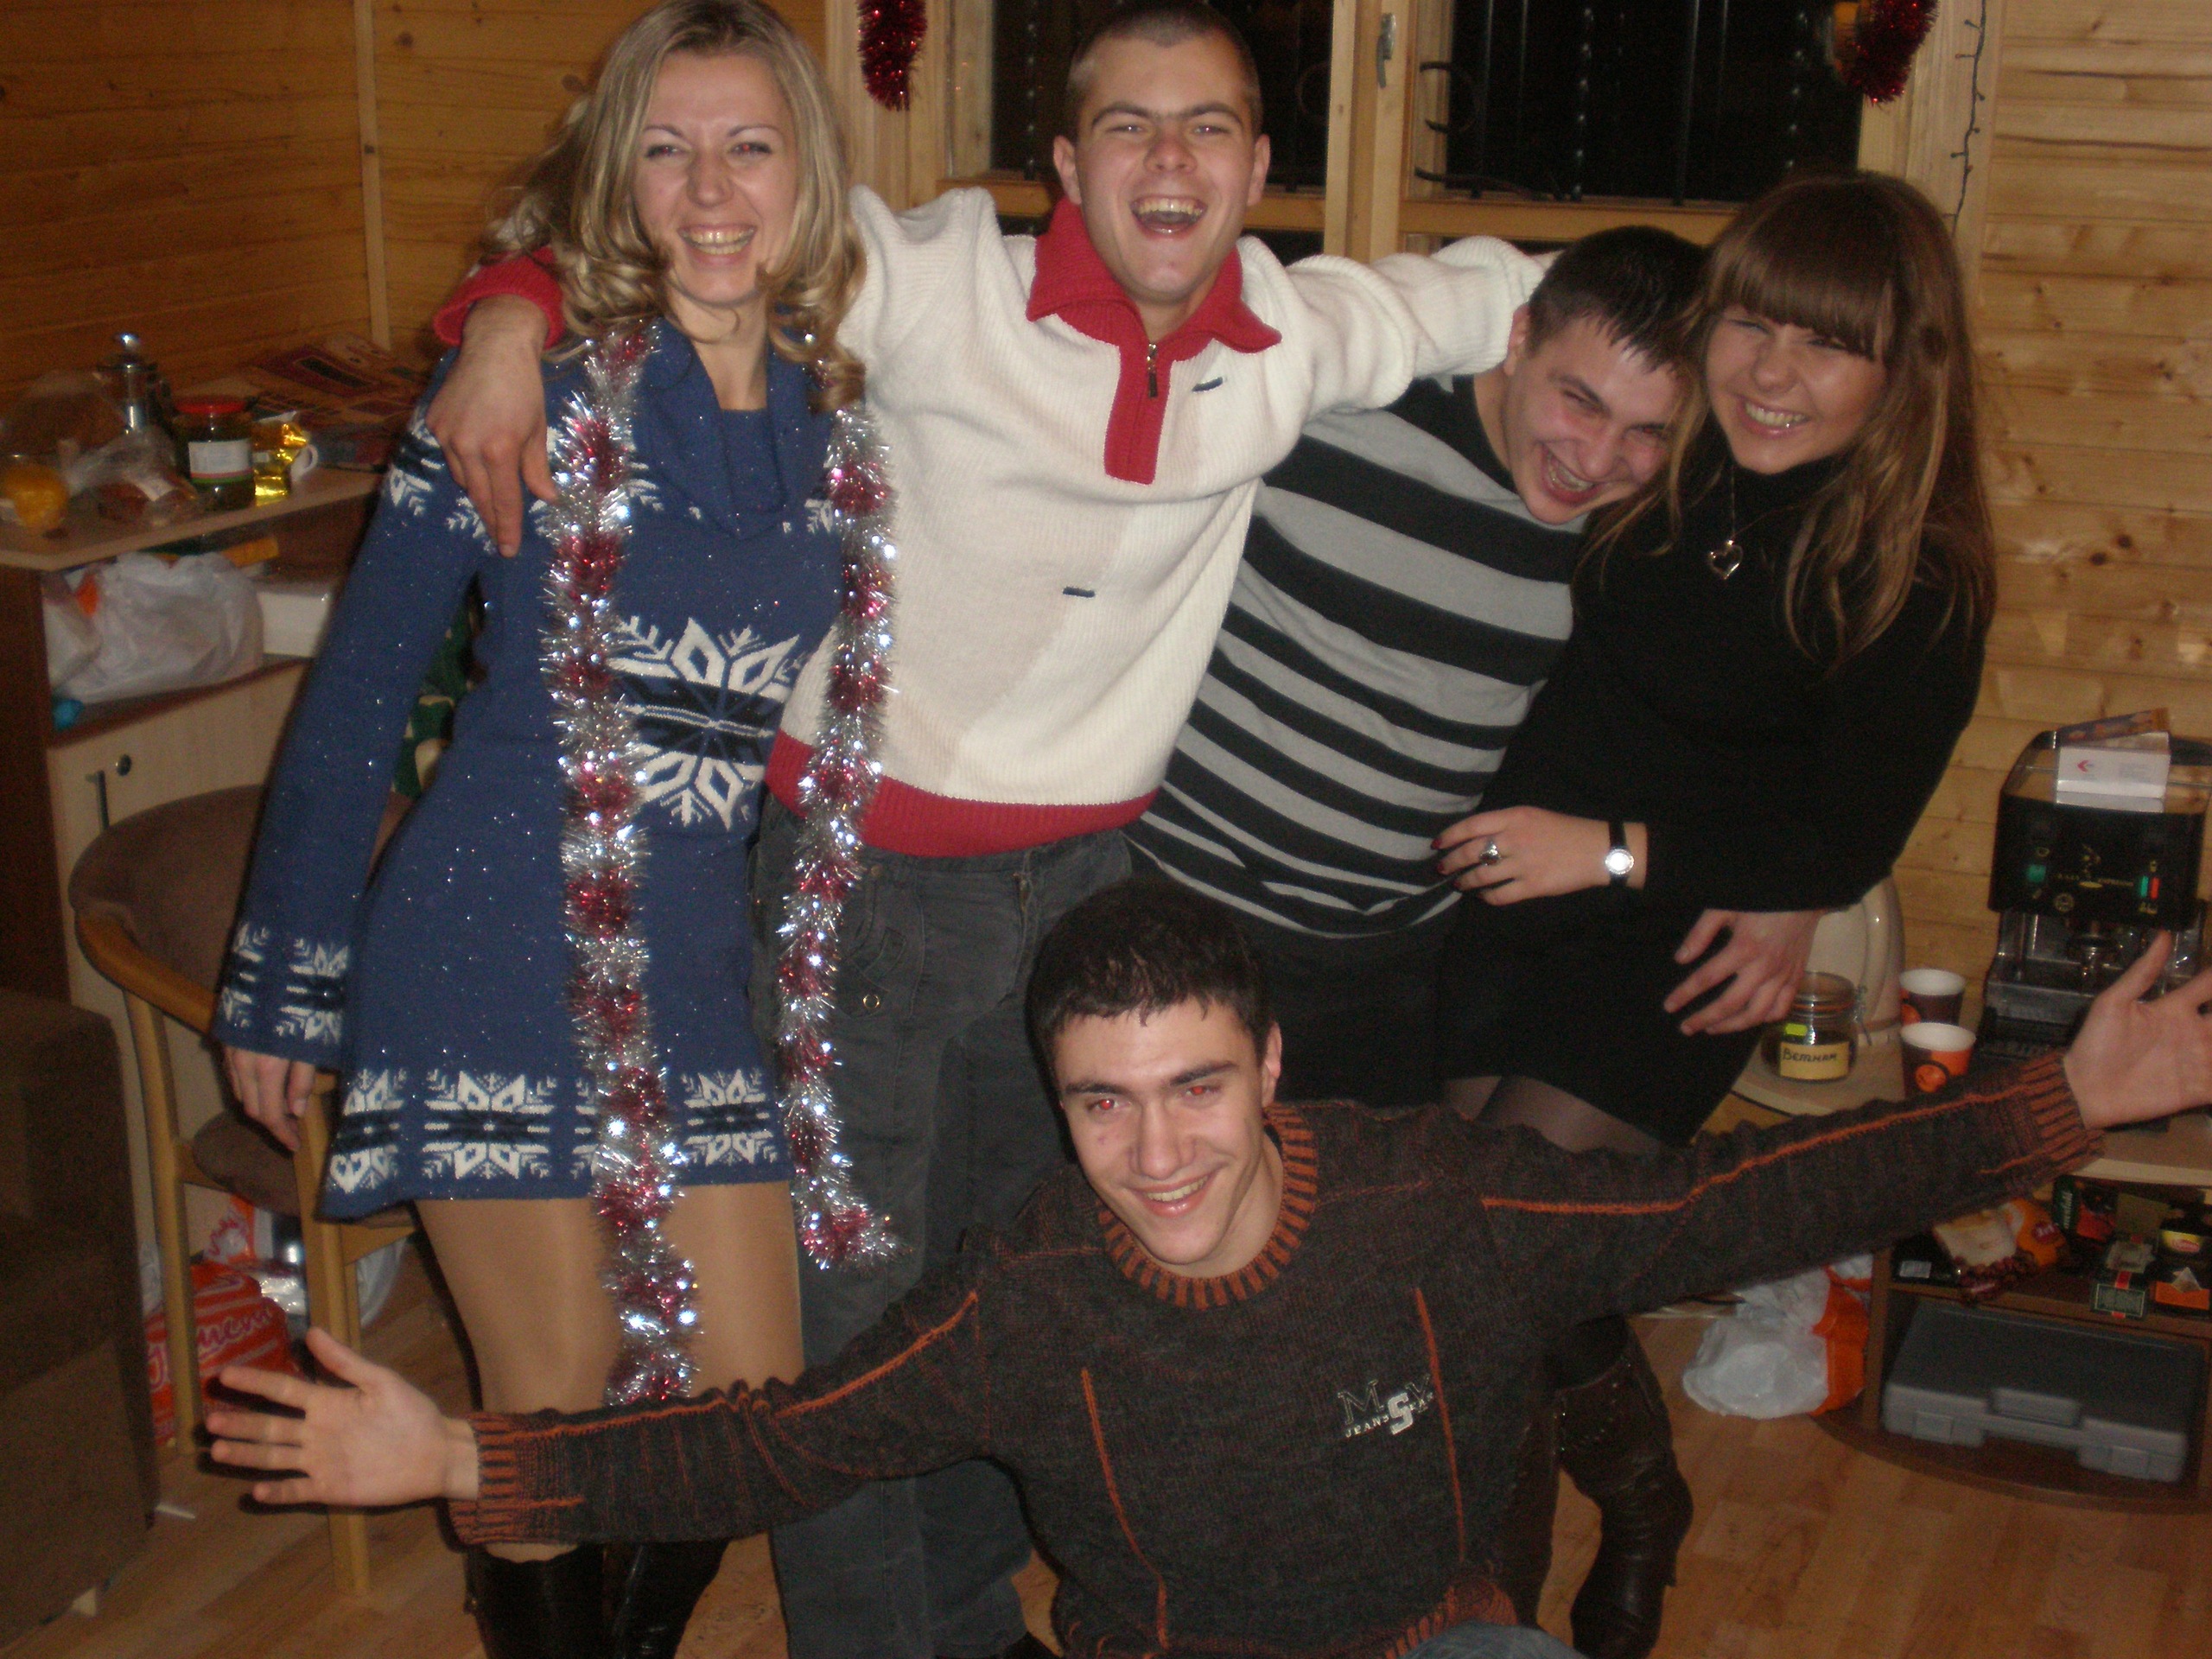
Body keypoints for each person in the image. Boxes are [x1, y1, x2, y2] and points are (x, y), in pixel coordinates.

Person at [419, 8, 1545, 1654]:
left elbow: (1504, 290)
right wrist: (504, 322)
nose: (1171, 160)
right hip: (863, 887)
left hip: (1085, 887)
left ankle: (962, 1615)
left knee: (1019, 1283)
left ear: (1258, 167)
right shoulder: (938, 284)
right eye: (1131, 127)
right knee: (858, 1317)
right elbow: (689, 226)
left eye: (1210, 127)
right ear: (1068, 164)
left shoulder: (1296, 334)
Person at [207, 879, 2212, 1659]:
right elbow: (773, 1445)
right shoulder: (1022, 1303)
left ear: (1266, 1069)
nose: (1153, 1157)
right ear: (1054, 1101)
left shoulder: (1436, 1202)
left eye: (1191, 1090)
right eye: (1100, 1105)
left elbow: (1728, 1207)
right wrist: (461, 1457)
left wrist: (2058, 1099)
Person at [211, 4, 861, 1654]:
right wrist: (284, 978)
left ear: (807, 172)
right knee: (553, 1406)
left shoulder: (841, 425)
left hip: (688, 958)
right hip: (486, 940)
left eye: (749, 148)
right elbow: (362, 688)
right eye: (667, 150)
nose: (709, 192)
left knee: (746, 1417)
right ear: (615, 174)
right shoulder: (529, 399)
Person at [1427, 171, 1996, 1656]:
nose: (1772, 373)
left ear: (1904, 367)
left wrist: (1619, 856)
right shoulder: (1671, 458)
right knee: (1490, 1257)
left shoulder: (1915, 574)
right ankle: (1644, 1498)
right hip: (1514, 899)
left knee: (1499, 1265)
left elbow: (1839, 834)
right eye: (1750, 324)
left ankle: (1495, 1618)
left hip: (1667, 943)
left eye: (1828, 344)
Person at [1125, 224, 1705, 1109]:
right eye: (1580, 401)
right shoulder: (1338, 407)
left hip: (1396, 962)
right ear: (1519, 338)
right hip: (1182, 909)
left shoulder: (1630, 534)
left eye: (1645, 433)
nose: (1595, 460)